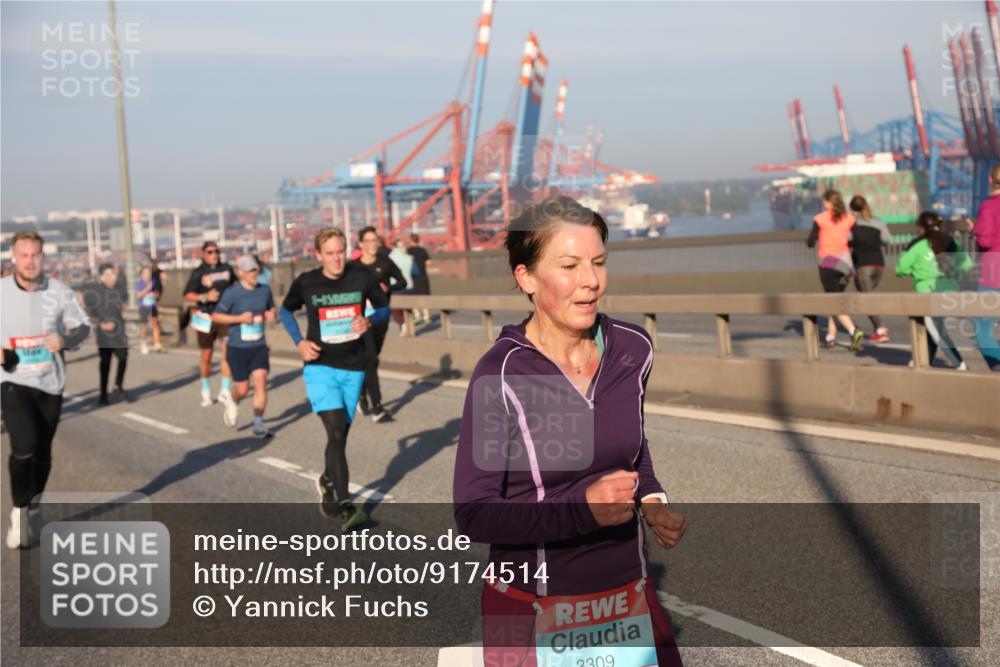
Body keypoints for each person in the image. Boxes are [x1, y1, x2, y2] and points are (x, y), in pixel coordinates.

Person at [453, 196, 687, 666]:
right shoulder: (500, 374)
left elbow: (632, 451)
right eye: (569, 265)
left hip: (628, 600)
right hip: (526, 607)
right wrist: (581, 510)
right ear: (526, 278)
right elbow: (474, 514)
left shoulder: (633, 347)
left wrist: (652, 500)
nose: (591, 281)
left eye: (598, 262)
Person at [279, 228, 390, 531]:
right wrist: (298, 342)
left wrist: (370, 320)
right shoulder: (307, 282)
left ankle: (328, 480)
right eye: (329, 253)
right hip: (320, 367)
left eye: (340, 251)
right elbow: (285, 311)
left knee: (339, 437)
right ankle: (346, 507)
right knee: (337, 430)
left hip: (353, 368)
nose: (336, 258)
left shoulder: (361, 276)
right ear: (318, 255)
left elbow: (384, 307)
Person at [2, 232, 90, 548]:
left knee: (43, 453)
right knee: (24, 445)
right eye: (23, 255)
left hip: (50, 383)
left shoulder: (60, 292)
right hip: (12, 381)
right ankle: (18, 512)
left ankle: (35, 507)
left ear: (43, 257)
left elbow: (84, 329)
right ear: (13, 258)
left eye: (35, 254)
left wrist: (66, 340)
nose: (30, 261)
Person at [896, 211, 970, 370]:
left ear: (922, 228)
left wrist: (916, 271)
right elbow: (967, 264)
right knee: (931, 328)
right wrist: (954, 272)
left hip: (927, 293)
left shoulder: (916, 244)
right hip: (950, 291)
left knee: (937, 331)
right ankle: (920, 361)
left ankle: (959, 363)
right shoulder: (951, 242)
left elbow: (901, 269)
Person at [212, 256, 276, 438]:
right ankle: (232, 401)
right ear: (240, 273)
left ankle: (258, 424)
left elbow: (272, 309)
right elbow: (217, 316)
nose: (253, 274)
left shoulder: (264, 290)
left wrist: (272, 314)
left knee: (261, 380)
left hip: (258, 345)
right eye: (249, 271)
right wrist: (239, 319)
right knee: (242, 388)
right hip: (238, 347)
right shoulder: (232, 293)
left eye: (255, 270)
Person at [351, 226, 406, 422]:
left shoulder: (385, 262)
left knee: (371, 360)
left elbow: (403, 281)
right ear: (361, 244)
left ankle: (361, 393)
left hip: (380, 317)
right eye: (369, 240)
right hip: (361, 320)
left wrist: (388, 286)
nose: (373, 244)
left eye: (375, 240)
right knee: (371, 360)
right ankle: (378, 407)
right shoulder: (354, 267)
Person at [806, 190, 864, 351]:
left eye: (824, 201)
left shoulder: (820, 219)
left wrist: (818, 240)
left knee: (832, 301)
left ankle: (854, 330)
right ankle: (830, 337)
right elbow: (858, 239)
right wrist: (844, 245)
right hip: (845, 264)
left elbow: (810, 241)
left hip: (828, 264)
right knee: (836, 300)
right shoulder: (849, 218)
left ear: (827, 203)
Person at [183, 242, 236, 407]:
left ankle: (225, 390)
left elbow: (236, 285)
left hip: (224, 316)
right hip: (206, 317)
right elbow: (187, 295)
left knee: (227, 352)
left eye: (216, 251)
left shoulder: (227, 268)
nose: (214, 254)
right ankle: (205, 390)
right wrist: (205, 297)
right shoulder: (199, 272)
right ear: (204, 254)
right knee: (207, 355)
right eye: (210, 252)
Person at [82, 264, 131, 405]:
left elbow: (124, 304)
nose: (112, 277)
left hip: (119, 330)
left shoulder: (120, 289)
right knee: (105, 363)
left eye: (113, 274)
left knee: (123, 356)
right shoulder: (95, 293)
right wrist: (101, 324)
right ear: (102, 277)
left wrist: (124, 305)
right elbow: (88, 313)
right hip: (104, 333)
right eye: (108, 275)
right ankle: (103, 393)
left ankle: (118, 386)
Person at [848, 195, 891, 343]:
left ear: (852, 209)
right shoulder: (878, 222)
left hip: (863, 265)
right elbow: (887, 240)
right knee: (867, 295)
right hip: (879, 265)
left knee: (865, 298)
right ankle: (877, 327)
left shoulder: (852, 224)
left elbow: (847, 240)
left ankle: (880, 329)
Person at [971, 164, 1000, 371]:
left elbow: (986, 241)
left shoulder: (989, 206)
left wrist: (974, 228)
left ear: (990, 180)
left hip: (994, 274)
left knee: (982, 326)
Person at [388, 239, 414, 336]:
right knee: (408, 310)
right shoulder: (409, 258)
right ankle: (409, 329)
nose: (403, 248)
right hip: (409, 287)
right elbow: (416, 272)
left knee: (396, 312)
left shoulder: (390, 258)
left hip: (396, 288)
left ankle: (403, 327)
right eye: (402, 246)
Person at [136, 265, 163, 354]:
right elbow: (139, 295)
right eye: (146, 272)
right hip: (143, 306)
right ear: (142, 274)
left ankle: (157, 343)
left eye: (149, 272)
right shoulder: (139, 282)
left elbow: (157, 292)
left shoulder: (153, 281)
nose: (147, 274)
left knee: (155, 323)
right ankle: (143, 343)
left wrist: (155, 294)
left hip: (153, 306)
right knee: (144, 326)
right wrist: (147, 288)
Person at [407, 233, 432, 325]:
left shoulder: (408, 251)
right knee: (424, 296)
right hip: (423, 276)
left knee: (412, 297)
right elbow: (429, 263)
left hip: (412, 278)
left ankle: (417, 315)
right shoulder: (423, 250)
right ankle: (427, 317)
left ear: (410, 240)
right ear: (418, 240)